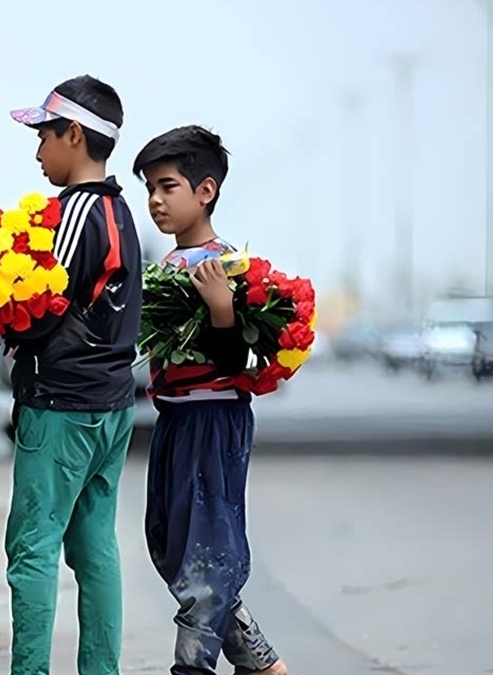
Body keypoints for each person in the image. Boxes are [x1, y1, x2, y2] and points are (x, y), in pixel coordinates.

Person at [131, 125, 288, 675]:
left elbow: (240, 362)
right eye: (149, 188)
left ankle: (190, 669)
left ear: (206, 191)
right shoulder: (162, 271)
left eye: (167, 186)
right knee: (169, 545)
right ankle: (263, 666)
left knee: (211, 552)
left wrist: (222, 308)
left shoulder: (235, 269)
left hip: (215, 420)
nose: (155, 200)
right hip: (173, 422)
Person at [3, 74, 142, 675]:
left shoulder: (73, 211)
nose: (37, 153)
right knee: (95, 550)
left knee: (31, 551)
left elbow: (36, 305)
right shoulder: (120, 210)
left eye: (43, 137)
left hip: (60, 408)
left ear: (75, 134)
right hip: (112, 406)